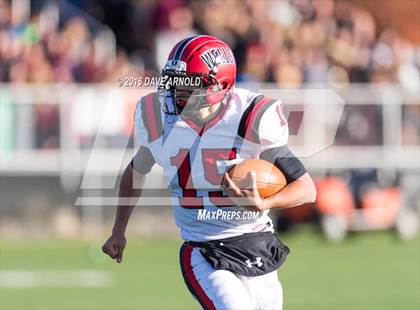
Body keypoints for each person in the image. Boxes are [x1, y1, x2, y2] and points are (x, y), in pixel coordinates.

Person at [102, 35, 316, 310]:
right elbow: (136, 171)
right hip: (203, 249)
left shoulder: (249, 118)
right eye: (175, 81)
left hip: (256, 241)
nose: (177, 91)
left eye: (188, 83)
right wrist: (118, 229)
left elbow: (306, 188)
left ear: (221, 84)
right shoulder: (157, 117)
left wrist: (266, 202)